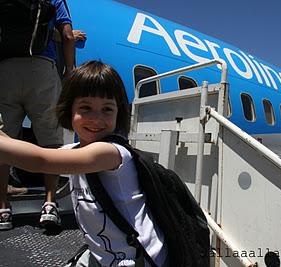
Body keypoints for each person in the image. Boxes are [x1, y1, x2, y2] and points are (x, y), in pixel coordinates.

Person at [0, 61, 167, 266]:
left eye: (107, 109)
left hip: (138, 259)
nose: (96, 119)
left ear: (118, 114)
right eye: (85, 108)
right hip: (103, 253)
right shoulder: (75, 151)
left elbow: (40, 160)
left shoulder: (110, 153)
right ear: (69, 111)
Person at [0, 0, 75, 229]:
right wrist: (70, 70)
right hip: (41, 68)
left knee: (4, 142)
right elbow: (69, 35)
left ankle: (3, 208)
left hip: (5, 69)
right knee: (50, 141)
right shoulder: (54, 0)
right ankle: (50, 204)